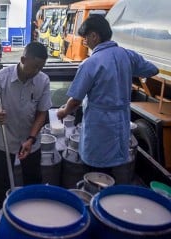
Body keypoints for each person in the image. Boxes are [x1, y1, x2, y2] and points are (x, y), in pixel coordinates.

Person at [57, 15, 159, 184]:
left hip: (100, 127)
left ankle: (96, 200)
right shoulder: (127, 55)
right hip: (120, 123)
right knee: (115, 169)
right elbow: (152, 70)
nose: (85, 42)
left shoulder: (91, 63)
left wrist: (63, 111)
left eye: (85, 38)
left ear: (94, 36)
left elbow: (75, 100)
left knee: (96, 173)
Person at [0, 42, 51, 204]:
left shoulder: (43, 81)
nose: (37, 72)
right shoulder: (1, 78)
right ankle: (5, 210)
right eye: (34, 67)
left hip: (30, 141)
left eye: (40, 67)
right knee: (3, 182)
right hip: (3, 140)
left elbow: (42, 114)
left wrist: (31, 139)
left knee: (33, 181)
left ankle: (30, 212)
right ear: (22, 59)